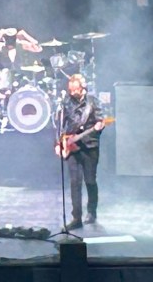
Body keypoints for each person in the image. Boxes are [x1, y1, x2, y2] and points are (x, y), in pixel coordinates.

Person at [55, 73, 105, 230]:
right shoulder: (66, 102)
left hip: (89, 146)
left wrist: (99, 127)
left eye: (75, 89)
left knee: (90, 180)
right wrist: (58, 143)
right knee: (75, 182)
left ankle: (91, 212)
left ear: (83, 87)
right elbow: (60, 125)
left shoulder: (93, 101)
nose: (73, 92)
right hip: (71, 147)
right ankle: (76, 217)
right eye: (70, 89)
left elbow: (100, 121)